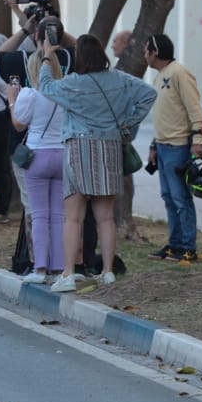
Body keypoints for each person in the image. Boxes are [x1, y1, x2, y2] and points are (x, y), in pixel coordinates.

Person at [34, 33, 157, 294]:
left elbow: (45, 86)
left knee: (73, 217)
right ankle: (108, 271)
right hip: (110, 147)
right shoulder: (119, 79)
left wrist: (47, 55)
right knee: (106, 218)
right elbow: (148, 93)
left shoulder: (74, 83)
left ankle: (68, 273)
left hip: (79, 148)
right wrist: (126, 120)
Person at [142, 34, 202, 263]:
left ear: (155, 52)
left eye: (146, 50)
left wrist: (198, 139)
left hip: (178, 147)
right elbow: (163, 115)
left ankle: (189, 247)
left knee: (181, 199)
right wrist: (153, 145)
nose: (144, 54)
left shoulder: (179, 73)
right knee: (169, 198)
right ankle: (174, 244)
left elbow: (195, 108)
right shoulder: (160, 76)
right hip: (162, 147)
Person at [9, 53, 68, 283]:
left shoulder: (30, 94)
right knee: (58, 215)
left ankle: (40, 268)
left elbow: (18, 123)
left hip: (37, 155)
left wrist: (11, 100)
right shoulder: (65, 93)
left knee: (39, 215)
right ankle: (58, 268)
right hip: (62, 155)